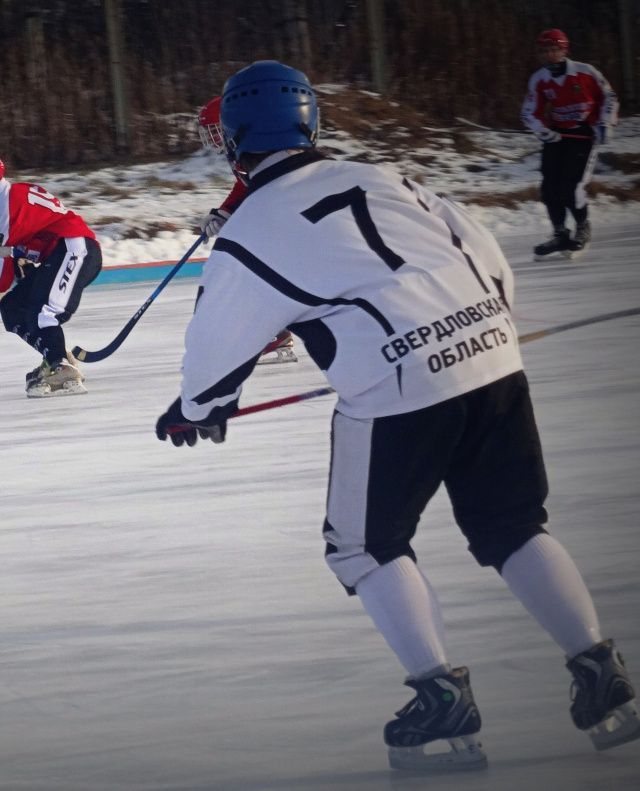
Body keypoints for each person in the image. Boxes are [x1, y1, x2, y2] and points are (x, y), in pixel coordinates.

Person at [156, 60, 638, 771]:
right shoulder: (384, 176)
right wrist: (481, 332)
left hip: (399, 388)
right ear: (310, 122)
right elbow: (481, 248)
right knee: (513, 525)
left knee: (363, 546)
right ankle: (602, 673)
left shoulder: (250, 226)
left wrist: (200, 407)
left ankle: (442, 702)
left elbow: (215, 345)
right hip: (493, 358)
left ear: (233, 141)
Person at [0, 148, 103, 397]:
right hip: (60, 254)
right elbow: (15, 252)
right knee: (13, 307)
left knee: (44, 311)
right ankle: (55, 356)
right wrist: (12, 271)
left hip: (74, 250)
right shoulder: (7, 198)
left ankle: (61, 367)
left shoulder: (5, 204)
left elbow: (0, 265)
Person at [197, 96, 297, 365]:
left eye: (215, 129)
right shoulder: (238, 149)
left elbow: (270, 185)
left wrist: (239, 217)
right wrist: (223, 212)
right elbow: (245, 185)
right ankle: (276, 334)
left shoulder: (259, 145)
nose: (212, 137)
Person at [520, 28, 619, 259]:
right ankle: (560, 233)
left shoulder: (586, 72)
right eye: (544, 51)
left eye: (554, 50)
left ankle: (583, 228)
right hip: (557, 137)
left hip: (584, 136)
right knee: (549, 188)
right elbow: (528, 113)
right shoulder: (539, 79)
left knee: (571, 187)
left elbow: (610, 97)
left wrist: (606, 124)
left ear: (564, 50)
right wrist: (543, 131)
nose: (549, 56)